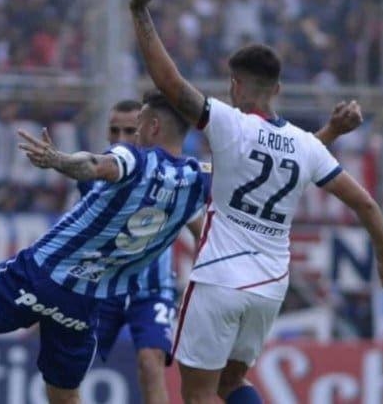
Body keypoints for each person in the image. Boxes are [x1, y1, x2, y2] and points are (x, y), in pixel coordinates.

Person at [128, 0, 383, 404]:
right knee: (232, 385)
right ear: (276, 88)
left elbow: (170, 83)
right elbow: (367, 204)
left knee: (197, 394)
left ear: (235, 86)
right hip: (270, 287)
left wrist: (140, 14)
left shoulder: (227, 123)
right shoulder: (305, 146)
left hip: (219, 278)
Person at [0, 90, 211, 404]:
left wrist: (57, 160)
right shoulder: (197, 180)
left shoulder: (135, 159)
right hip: (85, 300)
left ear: (150, 127)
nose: (129, 136)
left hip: (37, 274)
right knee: (65, 394)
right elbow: (208, 222)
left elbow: (93, 164)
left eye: (135, 128)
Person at [82, 98, 361, 404]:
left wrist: (224, 263)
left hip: (150, 289)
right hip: (99, 285)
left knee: (152, 363)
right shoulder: (97, 173)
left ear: (150, 129)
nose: (122, 139)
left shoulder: (180, 175)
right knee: (67, 368)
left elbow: (272, 171)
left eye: (130, 130)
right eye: (114, 131)